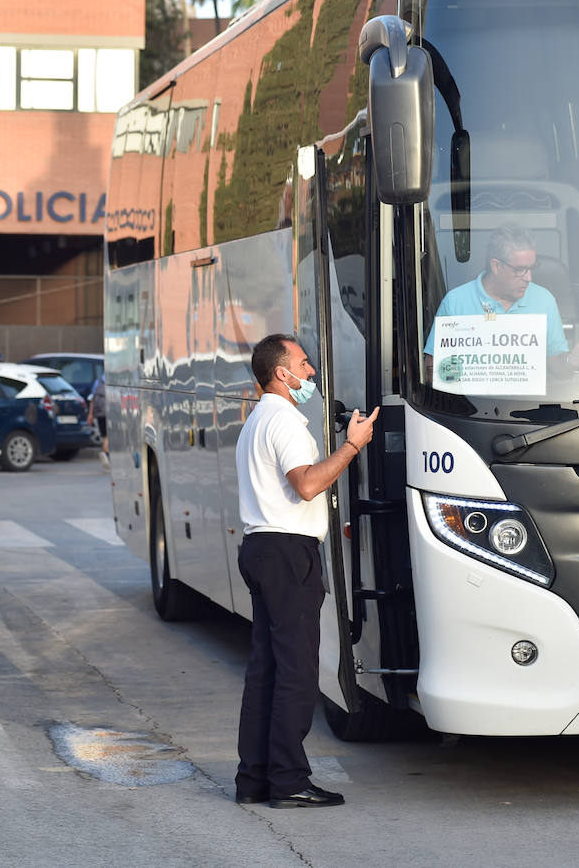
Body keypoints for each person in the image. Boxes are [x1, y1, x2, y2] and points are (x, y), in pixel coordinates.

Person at [234, 334, 378, 808]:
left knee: (266, 670)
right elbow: (308, 484)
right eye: (302, 364)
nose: (311, 371)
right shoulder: (285, 421)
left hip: (261, 548)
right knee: (296, 672)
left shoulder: (257, 419)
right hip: (287, 552)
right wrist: (352, 446)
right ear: (282, 373)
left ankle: (254, 779)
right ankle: (289, 781)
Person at [424, 223, 579, 378]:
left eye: (531, 268)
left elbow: (557, 368)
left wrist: (571, 362)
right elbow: (432, 369)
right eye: (520, 270)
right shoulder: (455, 302)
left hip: (528, 401)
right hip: (470, 401)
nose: (529, 277)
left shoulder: (544, 300)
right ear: (496, 266)